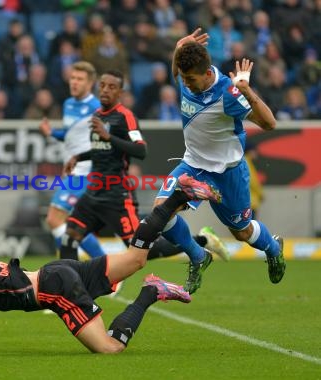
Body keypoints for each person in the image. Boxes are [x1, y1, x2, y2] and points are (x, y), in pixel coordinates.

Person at [0, 174, 220, 355]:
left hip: (56, 289)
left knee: (109, 350)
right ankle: (177, 197)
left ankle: (150, 292)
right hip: (58, 272)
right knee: (137, 257)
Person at [154, 28, 285, 294]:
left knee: (242, 233)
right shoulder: (187, 75)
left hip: (228, 173)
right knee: (161, 212)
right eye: (184, 77)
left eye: (191, 79)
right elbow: (176, 72)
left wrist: (247, 91)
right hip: (193, 165)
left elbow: (270, 123)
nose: (185, 83)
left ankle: (273, 248)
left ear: (207, 72)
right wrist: (179, 48)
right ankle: (199, 256)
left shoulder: (229, 93)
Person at [58, 69, 228, 264]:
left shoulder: (125, 117)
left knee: (144, 249)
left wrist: (109, 137)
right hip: (93, 193)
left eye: (111, 87)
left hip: (116, 197)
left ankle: (204, 240)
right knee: (68, 239)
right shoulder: (98, 115)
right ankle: (68, 289)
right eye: (102, 85)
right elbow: (101, 150)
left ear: (120, 93)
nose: (105, 90)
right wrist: (79, 157)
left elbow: (140, 150)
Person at [38, 61, 104, 259]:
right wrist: (52, 133)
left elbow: (107, 142)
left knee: (54, 219)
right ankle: (95, 270)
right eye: (73, 78)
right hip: (72, 172)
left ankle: (95, 267)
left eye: (80, 79)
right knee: (71, 223)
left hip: (85, 173)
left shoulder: (97, 109)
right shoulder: (68, 104)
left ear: (90, 83)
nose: (74, 83)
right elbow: (70, 134)